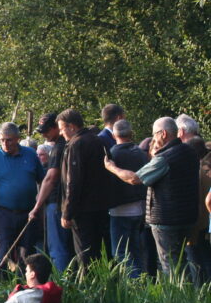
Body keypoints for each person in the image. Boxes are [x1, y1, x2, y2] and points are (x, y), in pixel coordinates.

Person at [104, 116, 200, 279]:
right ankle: (193, 298)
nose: (153, 138)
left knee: (169, 266)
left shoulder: (164, 159)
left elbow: (135, 178)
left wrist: (111, 167)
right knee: (184, 261)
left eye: (154, 134)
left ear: (163, 134)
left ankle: (177, 301)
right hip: (188, 216)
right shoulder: (190, 151)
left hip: (166, 219)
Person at [58, 108, 118, 268]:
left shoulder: (76, 145)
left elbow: (73, 181)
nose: (60, 133)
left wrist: (67, 212)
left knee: (85, 254)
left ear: (71, 126)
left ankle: (88, 289)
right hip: (102, 207)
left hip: (82, 210)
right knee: (103, 253)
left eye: (62, 129)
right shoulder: (99, 141)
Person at [0, 122, 45, 269]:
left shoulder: (30, 155)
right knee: (4, 252)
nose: (5, 143)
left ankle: (25, 283)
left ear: (17, 138)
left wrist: (39, 207)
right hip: (5, 213)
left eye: (9, 140)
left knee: (27, 253)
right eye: (1, 140)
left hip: (28, 212)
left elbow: (43, 181)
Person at [28, 113, 75, 272]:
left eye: (47, 130)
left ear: (56, 127)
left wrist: (37, 206)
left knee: (57, 247)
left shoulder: (58, 148)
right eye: (41, 131)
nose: (44, 134)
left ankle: (61, 282)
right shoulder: (70, 144)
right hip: (67, 202)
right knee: (66, 246)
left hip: (56, 202)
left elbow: (51, 178)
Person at [106, 120, 148, 276]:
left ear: (113, 134)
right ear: (131, 133)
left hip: (119, 210)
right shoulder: (140, 153)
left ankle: (132, 287)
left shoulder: (112, 155)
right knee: (136, 251)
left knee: (122, 253)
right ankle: (141, 283)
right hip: (140, 208)